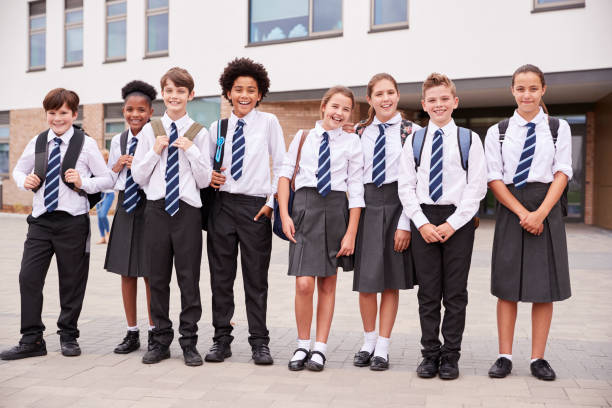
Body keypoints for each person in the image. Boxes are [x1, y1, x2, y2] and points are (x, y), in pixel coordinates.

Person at [1, 88, 113, 360]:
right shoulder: (39, 141)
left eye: (63, 113)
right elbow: (18, 169)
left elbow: (108, 180)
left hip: (72, 223)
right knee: (28, 277)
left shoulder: (85, 144)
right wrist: (22, 180)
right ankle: (31, 340)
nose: (57, 118)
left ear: (74, 114)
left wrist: (82, 182)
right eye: (52, 113)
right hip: (39, 223)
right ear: (47, 114)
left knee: (72, 281)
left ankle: (68, 335)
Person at [485, 64, 572, 381]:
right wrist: (522, 213)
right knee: (507, 288)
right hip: (511, 207)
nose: (526, 94)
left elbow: (562, 172)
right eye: (520, 88)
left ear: (543, 90)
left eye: (533, 88)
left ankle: (538, 358)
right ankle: (504, 356)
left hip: (545, 207)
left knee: (543, 288)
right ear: (512, 90)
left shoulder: (558, 128)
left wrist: (540, 213)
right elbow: (494, 177)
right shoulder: (498, 131)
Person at [398, 73, 487, 380]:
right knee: (428, 293)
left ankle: (450, 355)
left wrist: (452, 223)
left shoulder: (469, 140)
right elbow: (405, 187)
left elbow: (477, 188)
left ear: (455, 102)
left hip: (458, 221)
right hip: (424, 219)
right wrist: (420, 223)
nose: (439, 105)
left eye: (444, 99)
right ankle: (429, 354)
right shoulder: (414, 139)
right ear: (424, 104)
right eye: (432, 100)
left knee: (455, 293)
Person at [205, 58, 285, 365]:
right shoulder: (218, 128)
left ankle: (259, 342)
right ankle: (221, 340)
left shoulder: (269, 123)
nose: (244, 95)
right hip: (222, 206)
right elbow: (204, 166)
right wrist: (208, 176)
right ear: (227, 92)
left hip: (255, 208)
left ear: (260, 93)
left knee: (255, 279)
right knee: (221, 278)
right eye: (238, 89)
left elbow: (281, 165)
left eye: (251, 90)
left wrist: (270, 202)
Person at [278, 85, 364, 372]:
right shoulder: (303, 138)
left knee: (328, 283)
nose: (339, 113)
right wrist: (284, 214)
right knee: (304, 283)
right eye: (335, 106)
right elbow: (284, 174)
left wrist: (351, 232)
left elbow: (356, 189)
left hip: (336, 211)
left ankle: (320, 348)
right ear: (323, 107)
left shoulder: (352, 144)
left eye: (346, 109)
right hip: (304, 210)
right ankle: (303, 343)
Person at [131, 67, 211, 366]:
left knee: (189, 279)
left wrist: (191, 152)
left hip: (187, 212)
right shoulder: (151, 130)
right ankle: (160, 340)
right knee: (157, 278)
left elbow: (204, 181)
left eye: (180, 91)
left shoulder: (199, 133)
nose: (174, 96)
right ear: (162, 94)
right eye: (169, 90)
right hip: (157, 210)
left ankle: (189, 342)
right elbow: (138, 176)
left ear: (190, 95)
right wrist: (154, 151)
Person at [352, 73, 420, 371]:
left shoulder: (413, 132)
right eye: (379, 94)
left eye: (390, 92)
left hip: (397, 205)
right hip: (366, 205)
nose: (385, 99)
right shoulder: (357, 132)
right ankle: (367, 342)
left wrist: (406, 222)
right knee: (367, 282)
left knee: (390, 281)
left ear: (397, 95)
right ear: (370, 99)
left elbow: (415, 181)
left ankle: (383, 346)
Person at [104, 80, 157, 354]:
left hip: (149, 204)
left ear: (150, 112)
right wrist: (115, 166)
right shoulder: (118, 140)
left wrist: (138, 164)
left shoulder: (157, 135)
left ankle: (154, 331)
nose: (134, 115)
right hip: (126, 205)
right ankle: (131, 332)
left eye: (140, 110)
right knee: (126, 272)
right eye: (129, 109)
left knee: (148, 271)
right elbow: (112, 180)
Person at [96, 149, 114, 244]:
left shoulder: (109, 168)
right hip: (100, 194)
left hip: (109, 194)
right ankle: (102, 237)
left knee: (103, 215)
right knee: (99, 217)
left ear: (106, 157)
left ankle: (108, 233)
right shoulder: (97, 168)